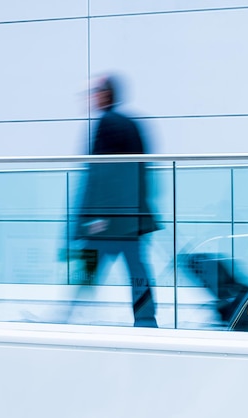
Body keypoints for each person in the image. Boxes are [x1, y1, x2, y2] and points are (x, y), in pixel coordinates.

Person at [72, 75, 160, 327]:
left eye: (95, 92)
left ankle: (68, 315)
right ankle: (146, 319)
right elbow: (141, 171)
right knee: (137, 270)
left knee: (87, 267)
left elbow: (101, 174)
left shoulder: (106, 124)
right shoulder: (131, 123)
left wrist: (97, 217)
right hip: (131, 217)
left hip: (111, 220)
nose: (91, 98)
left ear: (105, 94)